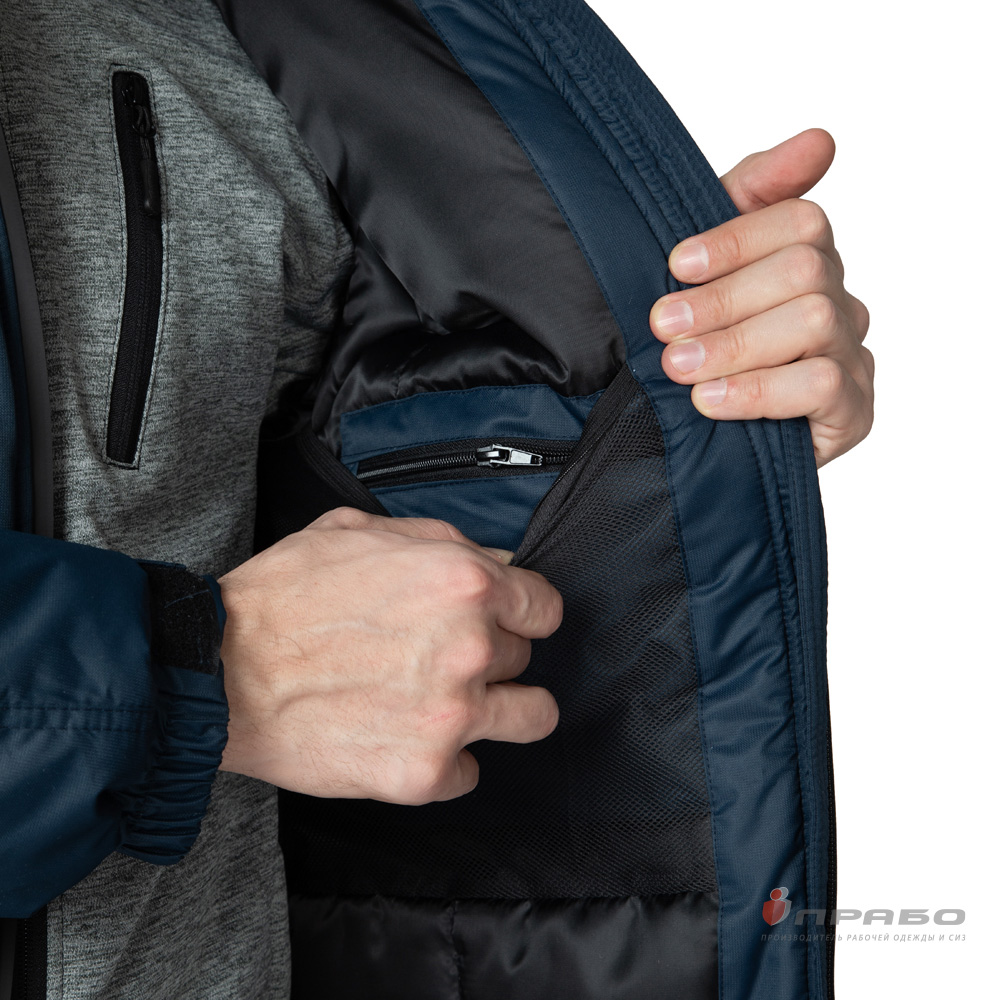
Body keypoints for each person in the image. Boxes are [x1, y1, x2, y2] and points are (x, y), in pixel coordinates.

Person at [0, 0, 873, 996]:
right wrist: (201, 672)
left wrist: (671, 408)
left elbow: (342, 488)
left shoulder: (241, 42)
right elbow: (251, 648)